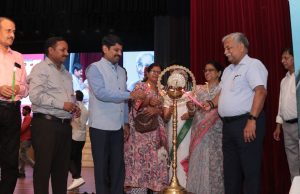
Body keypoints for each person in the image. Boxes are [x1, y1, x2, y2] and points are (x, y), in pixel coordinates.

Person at [204, 32, 268, 194]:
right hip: (229, 127)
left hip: (246, 123)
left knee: (250, 171)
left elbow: (260, 92)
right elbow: (223, 94)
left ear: (241, 47)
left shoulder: (253, 65)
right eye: (224, 49)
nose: (225, 52)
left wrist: (252, 119)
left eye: (228, 48)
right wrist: (211, 103)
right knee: (230, 173)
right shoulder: (227, 70)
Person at [85, 34, 145, 194]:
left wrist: (125, 121)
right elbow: (102, 93)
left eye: (121, 50)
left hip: (118, 127)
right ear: (105, 49)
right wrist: (129, 95)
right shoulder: (94, 68)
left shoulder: (122, 71)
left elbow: (123, 99)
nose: (119, 53)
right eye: (115, 50)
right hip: (100, 126)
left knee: (118, 167)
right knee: (102, 168)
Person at [28, 36, 80, 194]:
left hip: (64, 126)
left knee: (61, 171)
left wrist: (74, 106)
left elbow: (68, 98)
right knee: (43, 170)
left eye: (67, 50)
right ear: (50, 51)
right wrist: (62, 104)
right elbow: (35, 96)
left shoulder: (67, 74)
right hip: (45, 125)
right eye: (62, 50)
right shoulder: (40, 68)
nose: (66, 53)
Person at [124, 63, 169, 193]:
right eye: (153, 71)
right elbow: (135, 105)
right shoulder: (140, 86)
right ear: (147, 73)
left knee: (156, 163)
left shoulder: (161, 90)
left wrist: (157, 110)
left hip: (156, 132)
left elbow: (162, 111)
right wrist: (148, 102)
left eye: (159, 72)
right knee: (140, 163)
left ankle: (155, 188)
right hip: (140, 133)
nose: (156, 74)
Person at [186, 61, 224, 194]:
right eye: (205, 70)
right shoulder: (198, 89)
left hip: (216, 132)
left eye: (211, 70)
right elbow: (191, 113)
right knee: (198, 162)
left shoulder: (222, 89)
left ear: (219, 73)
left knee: (214, 163)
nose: (207, 73)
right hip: (198, 132)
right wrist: (190, 108)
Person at [0, 16, 28, 193]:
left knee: (11, 159)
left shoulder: (18, 56)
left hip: (12, 110)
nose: (12, 35)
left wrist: (19, 87)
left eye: (14, 31)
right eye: (8, 30)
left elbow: (26, 87)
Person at [273, 48, 300, 180]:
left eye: (286, 57)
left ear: (294, 58)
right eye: (282, 58)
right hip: (287, 127)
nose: (282, 61)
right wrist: (279, 125)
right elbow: (281, 104)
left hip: (298, 123)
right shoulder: (283, 81)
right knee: (292, 160)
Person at [163, 68, 192, 187]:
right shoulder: (168, 96)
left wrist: (190, 114)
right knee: (173, 156)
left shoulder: (190, 95)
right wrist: (170, 108)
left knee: (184, 156)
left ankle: (186, 186)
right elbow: (165, 118)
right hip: (172, 130)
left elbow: (196, 112)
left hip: (187, 132)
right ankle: (173, 185)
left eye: (182, 77)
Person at [67, 90, 89, 191]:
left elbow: (73, 120)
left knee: (68, 158)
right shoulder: (85, 108)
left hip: (74, 136)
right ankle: (77, 180)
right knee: (77, 159)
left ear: (76, 97)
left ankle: (76, 177)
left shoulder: (75, 107)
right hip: (82, 137)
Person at [18, 105, 35, 178]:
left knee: (23, 155)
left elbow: (23, 129)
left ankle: (35, 167)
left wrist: (16, 132)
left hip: (26, 139)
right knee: (21, 155)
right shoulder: (27, 118)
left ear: (27, 111)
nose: (22, 111)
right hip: (24, 139)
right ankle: (21, 172)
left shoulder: (28, 118)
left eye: (23, 110)